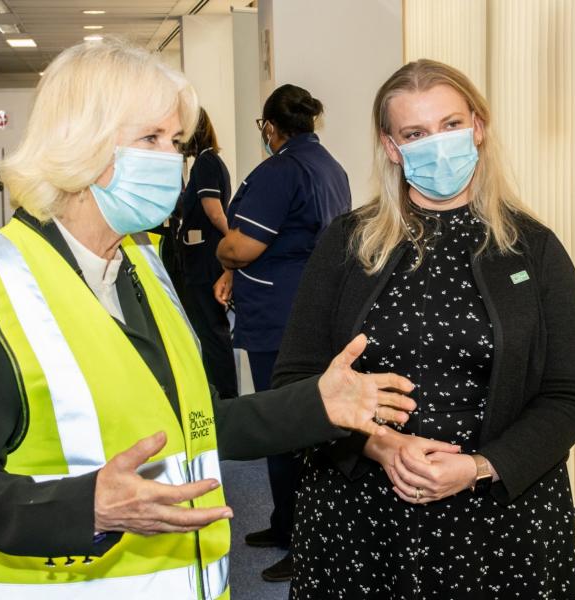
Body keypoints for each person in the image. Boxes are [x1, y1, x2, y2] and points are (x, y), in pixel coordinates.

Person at [0, 38, 416, 600]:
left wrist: (317, 405)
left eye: (174, 141)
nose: (172, 159)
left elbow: (199, 425)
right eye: (150, 139)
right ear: (84, 142)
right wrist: (89, 507)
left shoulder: (143, 264)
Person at [273, 59, 575, 599]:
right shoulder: (347, 244)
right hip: (362, 513)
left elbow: (570, 394)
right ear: (392, 147)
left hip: (501, 518)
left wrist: (477, 467)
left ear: (479, 126)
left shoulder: (533, 249)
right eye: (416, 133)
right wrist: (380, 445)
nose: (438, 144)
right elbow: (296, 379)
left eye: (450, 125)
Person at [216, 84, 352, 581]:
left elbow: (241, 247)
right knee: (299, 423)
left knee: (288, 425)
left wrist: (222, 258)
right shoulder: (329, 166)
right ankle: (283, 525)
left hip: (281, 316)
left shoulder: (280, 170)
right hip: (311, 309)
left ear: (271, 127)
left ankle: (303, 542)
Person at [177, 109, 237, 400]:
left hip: (203, 260)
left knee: (211, 332)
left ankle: (223, 398)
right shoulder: (209, 162)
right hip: (203, 258)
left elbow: (214, 213)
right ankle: (222, 395)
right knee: (212, 331)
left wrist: (234, 241)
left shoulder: (205, 163)